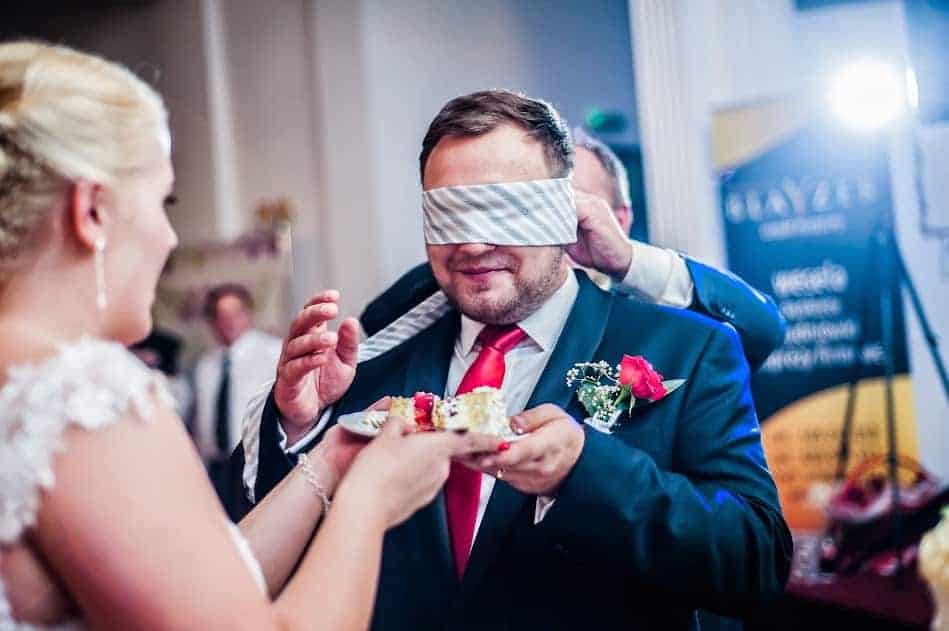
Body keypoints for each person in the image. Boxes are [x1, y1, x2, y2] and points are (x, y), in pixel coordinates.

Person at [234, 90, 792, 630]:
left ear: (561, 213)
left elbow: (755, 560)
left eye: (503, 211)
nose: (474, 246)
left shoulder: (686, 350)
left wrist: (587, 472)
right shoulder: (382, 346)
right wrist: (300, 426)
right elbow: (257, 555)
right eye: (450, 216)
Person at [0, 41, 499, 630]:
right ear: (91, 212)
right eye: (164, 202)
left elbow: (199, 594)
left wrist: (333, 460)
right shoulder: (81, 400)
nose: (167, 236)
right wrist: (369, 501)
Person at [360, 127, 786, 373]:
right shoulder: (448, 285)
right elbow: (366, 343)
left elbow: (761, 330)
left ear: (618, 219)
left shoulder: (654, 315)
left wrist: (626, 260)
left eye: (563, 202)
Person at [191, 283, 282, 499]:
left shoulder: (274, 353)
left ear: (248, 314)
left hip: (259, 465)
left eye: (236, 313)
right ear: (211, 322)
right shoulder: (205, 365)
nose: (229, 322)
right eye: (220, 315)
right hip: (217, 470)